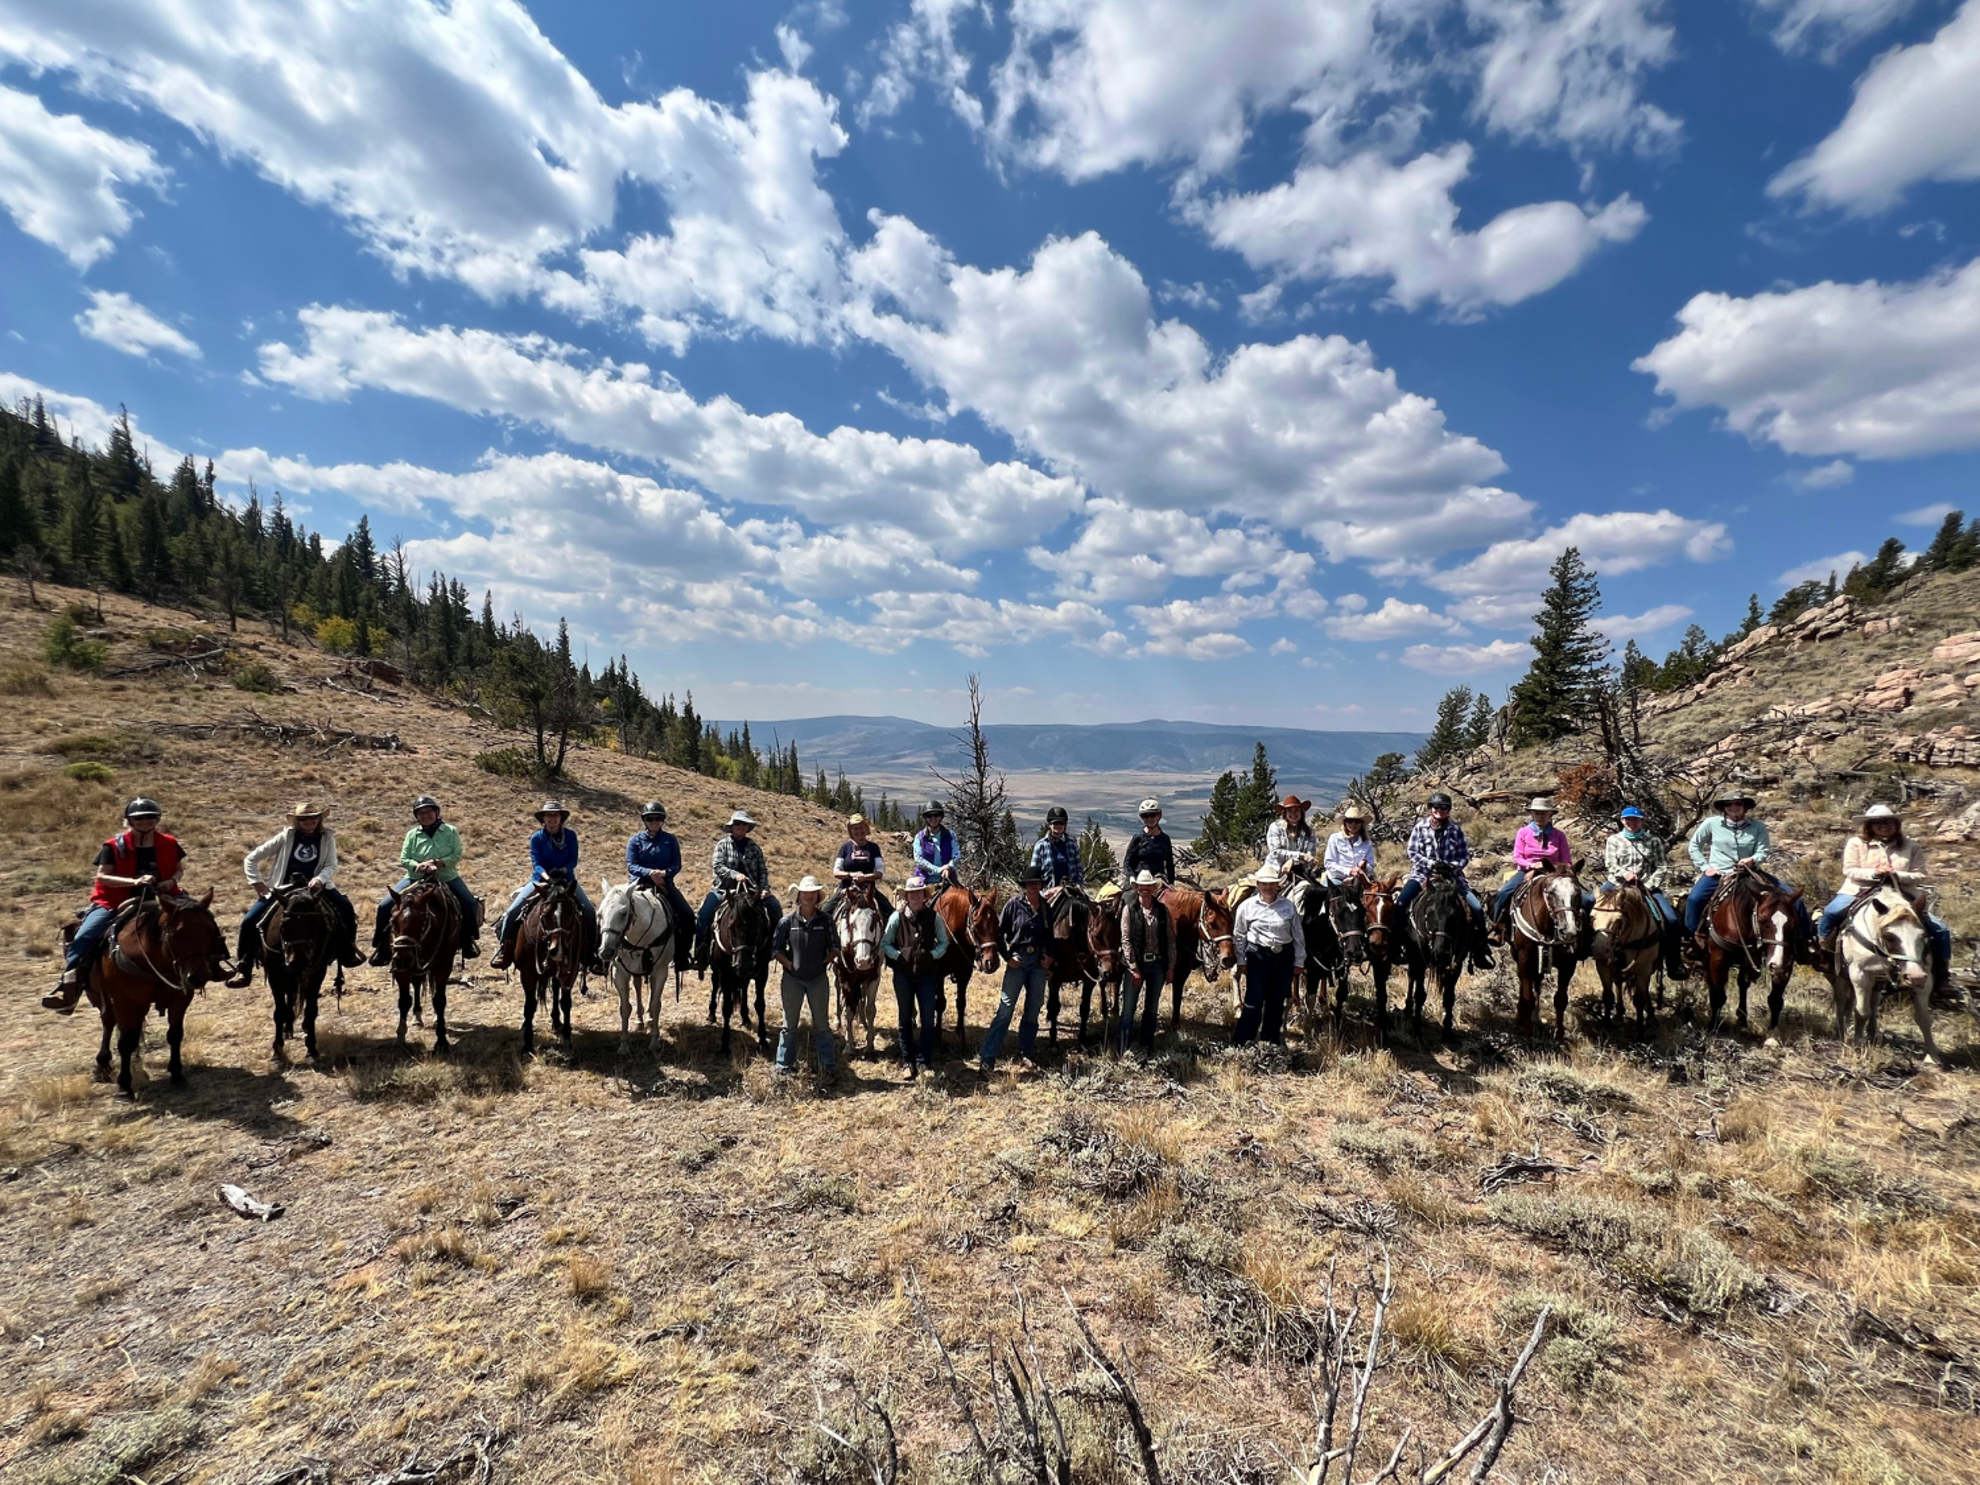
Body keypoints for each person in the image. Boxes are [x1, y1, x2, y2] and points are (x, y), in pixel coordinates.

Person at [43, 798, 185, 1013]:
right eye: (139, 818)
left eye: (150, 817)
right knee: (84, 937)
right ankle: (69, 987)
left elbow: (178, 869)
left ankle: (215, 965)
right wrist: (134, 882)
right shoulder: (113, 846)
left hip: (162, 895)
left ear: (157, 819)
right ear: (129, 820)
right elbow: (102, 877)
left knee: (202, 919)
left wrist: (171, 882)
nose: (146, 821)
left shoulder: (168, 842)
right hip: (116, 900)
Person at [1816, 804, 1954, 997]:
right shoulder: (1856, 843)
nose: (1883, 826)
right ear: (1869, 826)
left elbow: (1920, 874)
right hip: (1860, 889)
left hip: (1901, 893)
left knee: (1939, 929)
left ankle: (1942, 974)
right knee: (1831, 912)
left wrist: (1897, 874)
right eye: (1877, 823)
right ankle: (1824, 955)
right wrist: (1874, 873)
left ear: (1896, 824)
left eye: (1888, 822)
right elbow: (1849, 870)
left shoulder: (1911, 846)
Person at [225, 803, 364, 988]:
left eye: (313, 817)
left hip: (315, 887)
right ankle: (244, 966)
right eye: (304, 819)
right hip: (284, 888)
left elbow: (331, 864)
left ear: (319, 819)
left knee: (345, 907)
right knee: (249, 921)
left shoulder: (327, 837)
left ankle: (348, 952)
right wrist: (258, 883)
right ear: (297, 821)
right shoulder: (286, 836)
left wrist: (320, 879)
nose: (309, 822)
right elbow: (251, 858)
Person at [1683, 789, 1811, 939]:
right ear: (1723, 807)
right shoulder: (1711, 824)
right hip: (1720, 873)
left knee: (1792, 898)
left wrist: (1752, 860)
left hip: (1750, 873)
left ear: (1745, 806)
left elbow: (1763, 850)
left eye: (1738, 803)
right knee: (1694, 899)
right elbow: (1694, 846)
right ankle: (1692, 937)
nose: (1733, 807)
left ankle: (1807, 941)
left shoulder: (1758, 826)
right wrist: (1706, 868)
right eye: (1728, 804)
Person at [490, 801, 597, 973]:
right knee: (512, 911)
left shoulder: (570, 836)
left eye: (555, 815)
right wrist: (547, 877)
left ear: (561, 818)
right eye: (548, 815)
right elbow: (536, 863)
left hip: (566, 880)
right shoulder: (537, 838)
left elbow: (573, 860)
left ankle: (592, 953)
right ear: (543, 819)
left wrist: (563, 871)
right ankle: (504, 949)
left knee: (590, 910)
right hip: (541, 881)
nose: (552, 818)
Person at [371, 794, 479, 964]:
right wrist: (418, 866)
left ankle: (468, 941)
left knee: (469, 902)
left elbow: (457, 854)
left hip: (446, 877)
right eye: (421, 813)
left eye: (429, 812)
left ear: (437, 812)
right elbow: (404, 858)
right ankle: (381, 946)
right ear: (416, 816)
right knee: (385, 906)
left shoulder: (450, 831)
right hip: (415, 878)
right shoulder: (412, 835)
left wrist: (439, 863)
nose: (425, 815)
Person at [1396, 792, 1493, 971]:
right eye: (1436, 807)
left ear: (1449, 810)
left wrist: (1450, 866)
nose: (1439, 810)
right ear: (1430, 808)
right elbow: (1412, 852)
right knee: (1401, 904)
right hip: (1422, 875)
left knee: (1477, 909)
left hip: (1452, 877)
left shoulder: (1456, 830)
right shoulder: (1420, 827)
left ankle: (1479, 947)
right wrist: (1432, 864)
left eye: (1444, 808)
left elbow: (1464, 856)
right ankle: (1398, 945)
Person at [977, 866, 1055, 1075]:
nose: (1033, 886)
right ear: (1025, 886)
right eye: (1030, 883)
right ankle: (988, 1058)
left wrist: (1050, 957)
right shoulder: (1013, 905)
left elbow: (1052, 937)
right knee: (1005, 1009)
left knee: (1033, 1009)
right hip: (1018, 959)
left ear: (1041, 885)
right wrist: (1006, 957)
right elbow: (998, 933)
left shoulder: (1047, 908)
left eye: (1037, 883)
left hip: (1038, 962)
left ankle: (1024, 1053)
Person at [1602, 806, 1686, 981]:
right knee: (1592, 907)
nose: (1632, 823)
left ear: (1642, 821)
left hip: (1647, 887)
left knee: (1671, 920)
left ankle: (1674, 963)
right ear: (1622, 821)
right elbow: (1610, 864)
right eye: (1628, 819)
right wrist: (1625, 874)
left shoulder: (1654, 841)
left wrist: (1648, 884)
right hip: (1618, 885)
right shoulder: (1613, 840)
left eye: (1636, 819)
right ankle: (1591, 950)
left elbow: (1662, 866)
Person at [692, 811, 781, 970]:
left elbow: (762, 870)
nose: (740, 827)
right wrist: (735, 875)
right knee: (704, 914)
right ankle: (700, 952)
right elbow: (718, 866)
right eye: (737, 824)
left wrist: (764, 889)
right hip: (724, 889)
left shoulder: (754, 847)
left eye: (744, 824)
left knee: (775, 909)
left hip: (751, 891)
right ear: (732, 827)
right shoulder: (722, 845)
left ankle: (776, 949)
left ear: (748, 828)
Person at [883, 874, 951, 1080]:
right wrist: (899, 956)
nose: (915, 897)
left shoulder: (934, 917)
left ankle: (923, 1062)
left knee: (928, 1020)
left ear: (924, 896)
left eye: (918, 894)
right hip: (903, 975)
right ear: (907, 896)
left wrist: (932, 955)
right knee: (905, 1019)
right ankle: (907, 1062)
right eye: (911, 894)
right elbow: (885, 943)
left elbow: (944, 942)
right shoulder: (897, 917)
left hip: (927, 975)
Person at [772, 875, 839, 1079]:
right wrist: (790, 965)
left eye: (813, 892)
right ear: (799, 896)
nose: (809, 896)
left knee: (822, 1026)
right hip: (792, 980)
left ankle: (827, 1066)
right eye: (805, 893)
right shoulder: (786, 921)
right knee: (788, 1025)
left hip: (818, 980)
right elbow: (776, 949)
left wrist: (824, 962)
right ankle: (783, 1067)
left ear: (817, 896)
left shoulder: (825, 920)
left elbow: (835, 946)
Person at [1232, 862, 1304, 1045]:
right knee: (1254, 1001)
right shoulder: (1247, 906)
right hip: (1258, 956)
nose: (1268, 887)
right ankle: (1243, 1041)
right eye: (1264, 884)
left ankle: (1270, 1042)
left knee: (1277, 1001)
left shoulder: (1288, 906)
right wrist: (1241, 959)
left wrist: (1299, 961)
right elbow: (1239, 935)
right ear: (1258, 885)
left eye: (1272, 884)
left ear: (1277, 885)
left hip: (1284, 956)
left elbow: (1297, 935)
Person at [624, 801, 695, 975]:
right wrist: (650, 873)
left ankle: (681, 957)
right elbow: (631, 865)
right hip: (639, 884)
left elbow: (676, 864)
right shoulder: (635, 841)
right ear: (644, 821)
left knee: (687, 916)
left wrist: (664, 874)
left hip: (665, 884)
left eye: (658, 819)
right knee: (614, 914)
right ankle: (609, 957)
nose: (654, 822)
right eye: (650, 819)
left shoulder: (670, 840)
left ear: (662, 820)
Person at [1492, 799, 1574, 929]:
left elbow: (1566, 860)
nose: (1539, 816)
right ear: (1532, 814)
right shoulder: (1523, 832)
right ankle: (1497, 927)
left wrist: (1562, 870)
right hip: (1527, 870)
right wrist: (1531, 865)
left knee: (1581, 898)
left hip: (1553, 872)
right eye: (1536, 813)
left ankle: (1583, 933)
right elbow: (1517, 857)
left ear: (1550, 815)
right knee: (1503, 892)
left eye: (1543, 813)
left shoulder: (1559, 835)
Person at [1117, 869, 1174, 1056]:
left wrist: (1170, 966)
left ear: (1152, 888)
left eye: (1147, 887)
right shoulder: (1129, 909)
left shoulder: (1162, 911)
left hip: (1157, 965)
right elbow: (1125, 940)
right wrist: (1133, 967)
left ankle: (1146, 1047)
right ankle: (1123, 1047)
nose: (1144, 890)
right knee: (1128, 1009)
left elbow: (1170, 940)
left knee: (1151, 1008)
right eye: (1141, 887)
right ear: (1137, 888)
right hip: (1136, 966)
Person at [825, 814, 894, 922]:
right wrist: (851, 875)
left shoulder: (874, 848)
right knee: (824, 913)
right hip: (846, 889)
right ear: (851, 831)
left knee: (893, 915)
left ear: (866, 828)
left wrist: (865, 877)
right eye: (855, 828)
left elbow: (879, 872)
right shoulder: (845, 848)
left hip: (869, 890)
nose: (858, 831)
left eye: (861, 827)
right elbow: (836, 872)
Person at [1030, 806, 1085, 899]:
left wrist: (1078, 885)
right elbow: (1033, 873)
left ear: (1065, 824)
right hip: (1048, 892)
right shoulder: (1040, 846)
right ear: (1049, 824)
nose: (1058, 826)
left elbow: (1079, 869)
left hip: (1071, 890)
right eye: (1055, 823)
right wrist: (1042, 890)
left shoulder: (1072, 845)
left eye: (1061, 823)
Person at [1120, 799, 1175, 886]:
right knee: (1128, 899)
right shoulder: (1138, 838)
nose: (1149, 819)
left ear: (1159, 816)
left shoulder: (1165, 839)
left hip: (1159, 880)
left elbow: (1170, 864)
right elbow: (1127, 863)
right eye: (1145, 816)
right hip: (1139, 879)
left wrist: (1171, 882)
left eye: (1152, 815)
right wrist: (1132, 878)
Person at [1321, 804, 1376, 889]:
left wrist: (1364, 866)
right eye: (1350, 821)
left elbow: (1371, 866)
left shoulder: (1366, 842)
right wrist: (1349, 871)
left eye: (1357, 821)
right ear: (1345, 823)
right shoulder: (1335, 838)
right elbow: (1328, 863)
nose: (1353, 824)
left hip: (1358, 880)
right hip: (1336, 879)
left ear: (1361, 824)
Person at [1264, 795, 1319, 877]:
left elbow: (1310, 855)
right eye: (1290, 811)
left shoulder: (1309, 832)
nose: (1293, 814)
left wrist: (1293, 861)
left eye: (1296, 810)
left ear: (1301, 812)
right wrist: (1300, 855)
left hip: (1300, 870)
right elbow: (1275, 852)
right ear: (1285, 813)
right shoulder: (1275, 827)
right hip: (1274, 869)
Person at [912, 802, 961, 889]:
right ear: (925, 818)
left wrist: (949, 867)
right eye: (929, 816)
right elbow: (918, 860)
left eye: (936, 815)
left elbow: (956, 854)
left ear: (941, 816)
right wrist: (938, 870)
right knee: (914, 900)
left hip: (947, 878)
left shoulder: (951, 835)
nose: (933, 818)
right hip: (923, 879)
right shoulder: (919, 837)